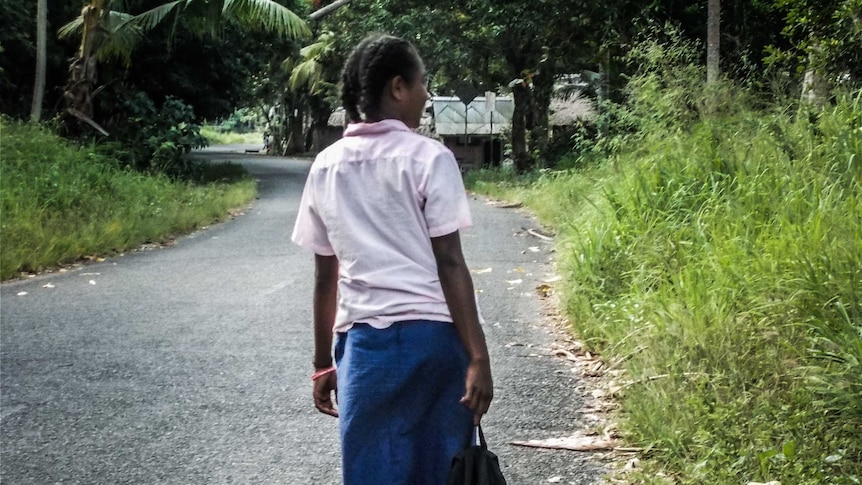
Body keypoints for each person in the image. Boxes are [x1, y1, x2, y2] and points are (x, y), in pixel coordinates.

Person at [291, 34, 494, 485]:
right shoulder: (429, 158)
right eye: (423, 83)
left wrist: (324, 362)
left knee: (371, 471)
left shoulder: (325, 166)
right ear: (398, 88)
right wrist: (478, 358)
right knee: (442, 470)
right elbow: (451, 264)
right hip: (435, 344)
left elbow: (326, 278)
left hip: (365, 352)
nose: (426, 95)